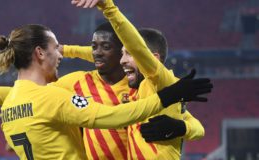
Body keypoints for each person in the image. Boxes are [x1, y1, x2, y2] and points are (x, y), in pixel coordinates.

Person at [0, 24, 213, 159]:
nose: (96, 52)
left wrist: (182, 127)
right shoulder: (75, 83)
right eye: (93, 46)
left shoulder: (144, 85)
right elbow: (37, 98)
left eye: (104, 47)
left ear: (125, 53)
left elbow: (196, 126)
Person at [74, 0, 210, 159]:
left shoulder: (163, 81)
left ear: (153, 59)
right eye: (123, 53)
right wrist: (183, 127)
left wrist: (108, 7)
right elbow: (199, 128)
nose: (122, 60)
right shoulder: (136, 88)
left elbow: (138, 47)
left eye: (129, 54)